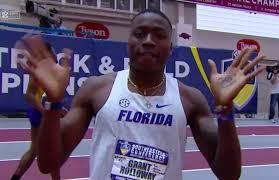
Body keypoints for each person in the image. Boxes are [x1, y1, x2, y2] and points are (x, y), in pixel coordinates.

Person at [16, 9, 265, 180]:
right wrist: (53, 103)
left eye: (158, 35)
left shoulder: (189, 99)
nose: (148, 41)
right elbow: (48, 164)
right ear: (129, 43)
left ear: (171, 48)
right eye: (139, 34)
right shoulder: (98, 88)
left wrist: (226, 109)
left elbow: (229, 174)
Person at [11, 42, 66, 180]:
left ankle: (15, 178)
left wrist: (58, 109)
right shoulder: (41, 70)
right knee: (51, 151)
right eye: (52, 50)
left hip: (45, 111)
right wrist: (44, 111)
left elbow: (52, 96)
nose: (55, 53)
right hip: (41, 112)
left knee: (36, 150)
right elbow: (29, 94)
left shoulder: (55, 70)